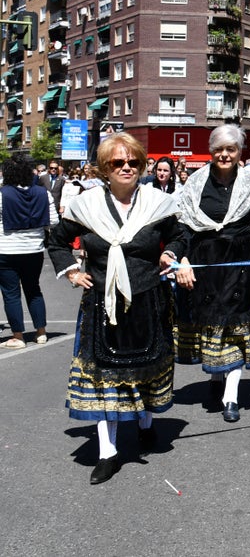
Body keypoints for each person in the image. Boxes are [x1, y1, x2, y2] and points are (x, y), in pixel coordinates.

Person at [47, 133, 186, 484]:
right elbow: (56, 241)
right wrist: (72, 271)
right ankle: (107, 453)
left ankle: (145, 422)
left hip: (149, 297)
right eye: (117, 163)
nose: (127, 167)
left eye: (133, 162)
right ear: (104, 169)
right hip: (102, 302)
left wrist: (170, 253)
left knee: (146, 367)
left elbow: (181, 235)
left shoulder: (157, 203)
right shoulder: (87, 206)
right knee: (104, 374)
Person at [173, 125, 250, 423]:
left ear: (239, 152)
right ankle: (215, 376)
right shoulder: (195, 183)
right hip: (206, 261)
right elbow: (183, 226)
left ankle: (231, 396)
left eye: (231, 149)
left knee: (236, 324)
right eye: (219, 149)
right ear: (211, 151)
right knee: (212, 322)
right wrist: (182, 258)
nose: (224, 154)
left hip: (241, 261)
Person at [0, 156, 58, 349]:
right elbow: (54, 221)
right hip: (34, 250)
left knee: (11, 294)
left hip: (6, 249)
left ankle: (18, 336)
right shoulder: (43, 193)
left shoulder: (2, 194)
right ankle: (41, 332)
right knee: (33, 289)